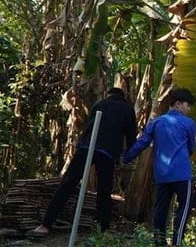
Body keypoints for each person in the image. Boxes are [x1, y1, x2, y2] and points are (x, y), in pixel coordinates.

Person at [32, 87, 138, 236]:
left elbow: (88, 126)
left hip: (86, 147)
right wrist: (127, 157)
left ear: (108, 95)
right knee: (104, 191)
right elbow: (131, 137)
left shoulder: (99, 104)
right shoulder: (127, 109)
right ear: (124, 96)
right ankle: (103, 230)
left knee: (68, 183)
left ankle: (45, 224)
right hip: (107, 153)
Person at [122, 88, 196, 247]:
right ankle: (177, 243)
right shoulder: (188, 123)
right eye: (187, 105)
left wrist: (125, 158)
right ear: (178, 104)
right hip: (182, 173)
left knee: (161, 207)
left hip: (162, 173)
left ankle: (159, 242)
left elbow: (142, 143)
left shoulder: (156, 122)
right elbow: (191, 148)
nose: (188, 109)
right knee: (184, 207)